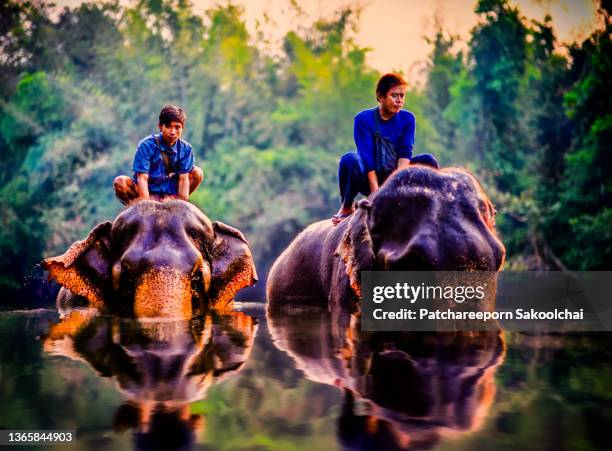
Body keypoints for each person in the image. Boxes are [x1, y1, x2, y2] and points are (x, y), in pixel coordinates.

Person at [332, 73, 439, 225]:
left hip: (396, 176)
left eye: (402, 96)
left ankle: (432, 206)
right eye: (394, 96)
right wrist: (376, 194)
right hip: (369, 178)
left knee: (428, 161)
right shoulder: (363, 119)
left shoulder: (408, 119)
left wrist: (397, 188)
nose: (399, 100)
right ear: (380, 96)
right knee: (350, 159)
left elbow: (405, 152)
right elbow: (366, 157)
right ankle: (346, 207)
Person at [114, 104, 203, 205]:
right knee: (120, 182)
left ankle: (176, 205)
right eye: (168, 127)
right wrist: (147, 207)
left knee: (197, 173)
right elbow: (142, 178)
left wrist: (182, 206)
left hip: (171, 193)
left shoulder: (186, 149)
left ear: (182, 128)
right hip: (146, 191)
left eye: (177, 127)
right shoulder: (146, 145)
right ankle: (135, 209)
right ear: (160, 126)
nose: (173, 132)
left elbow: (183, 180)